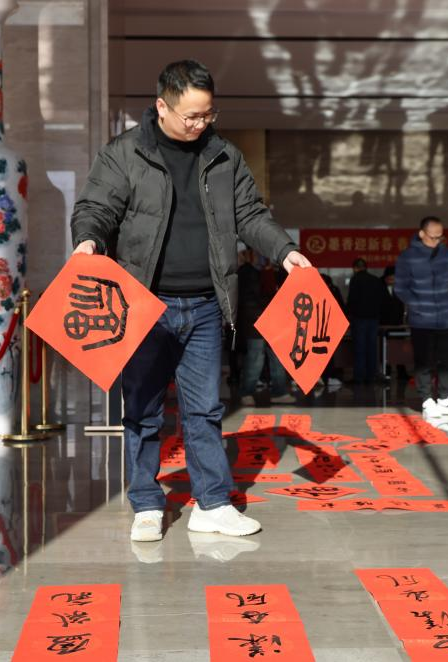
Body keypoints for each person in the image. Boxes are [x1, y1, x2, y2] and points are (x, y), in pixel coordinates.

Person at [70, 60, 311, 542]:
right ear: (162, 106)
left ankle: (213, 502)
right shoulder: (124, 153)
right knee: (142, 408)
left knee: (205, 410)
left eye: (207, 115)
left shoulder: (224, 157)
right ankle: (145, 502)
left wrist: (285, 251)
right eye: (190, 116)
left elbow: (250, 214)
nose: (200, 125)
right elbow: (97, 207)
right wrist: (88, 241)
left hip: (205, 304)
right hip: (143, 304)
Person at [395, 216, 448, 417]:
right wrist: (417, 305)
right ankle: (427, 400)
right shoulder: (408, 256)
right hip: (421, 318)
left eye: (440, 237)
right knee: (423, 361)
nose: (436, 241)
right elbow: (400, 287)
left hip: (445, 316)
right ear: (421, 234)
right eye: (432, 237)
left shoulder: (446, 255)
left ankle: (445, 399)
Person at [237, 251, 295, 407]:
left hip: (273, 319)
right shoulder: (246, 272)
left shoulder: (275, 273)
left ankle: (280, 391)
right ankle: (247, 392)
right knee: (256, 357)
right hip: (255, 320)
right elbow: (246, 298)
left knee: (277, 357)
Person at [347, 257, 386, 383]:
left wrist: (349, 314)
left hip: (359, 319)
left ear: (355, 268)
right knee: (372, 348)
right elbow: (382, 299)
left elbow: (351, 300)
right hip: (373, 319)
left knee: (359, 349)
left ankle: (359, 377)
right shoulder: (375, 280)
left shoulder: (355, 280)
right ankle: (371, 376)